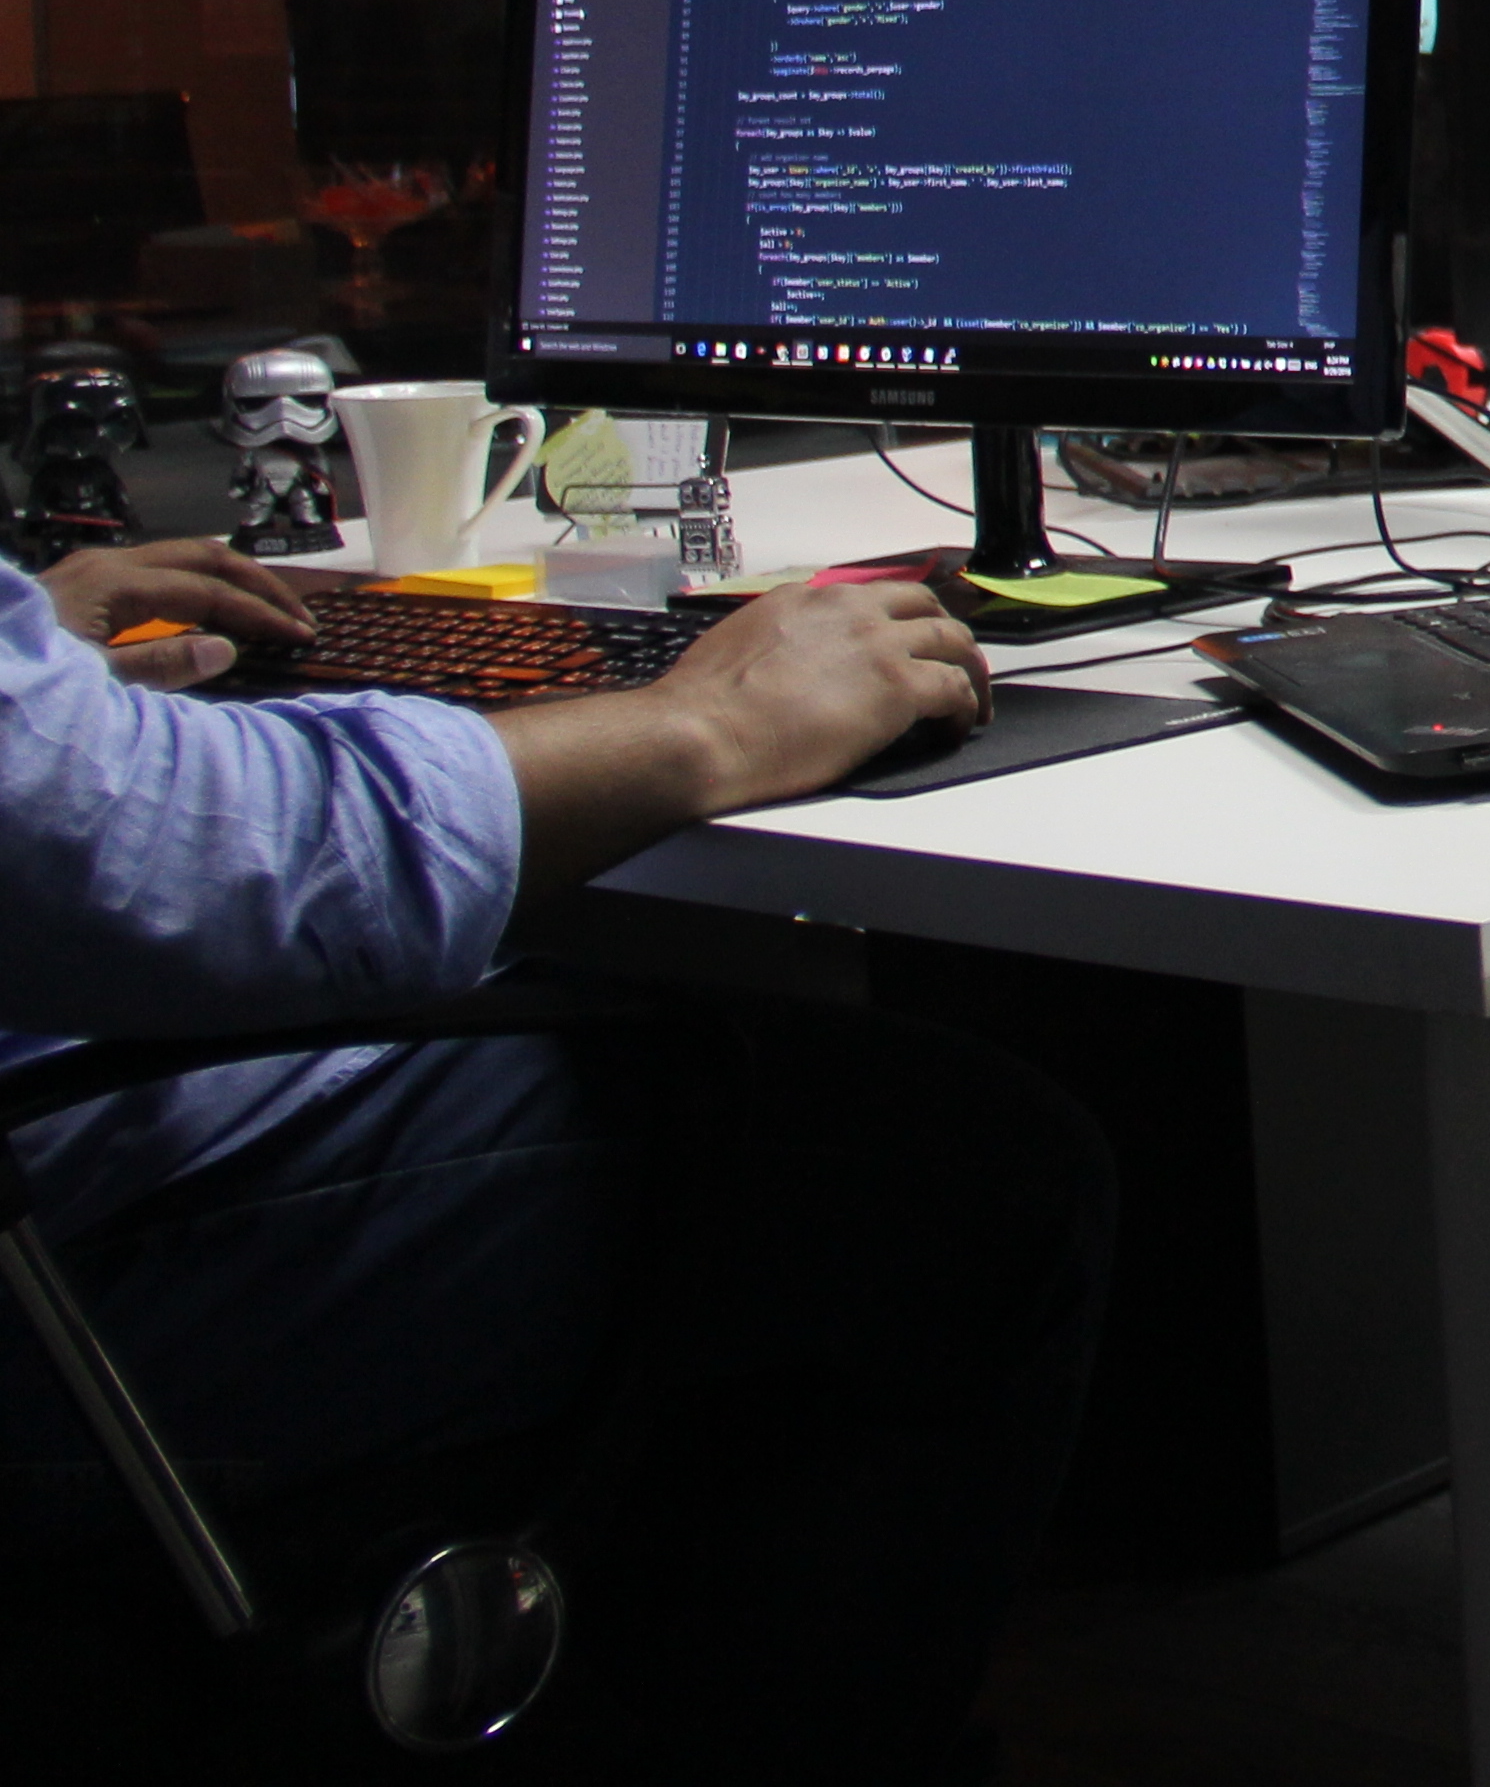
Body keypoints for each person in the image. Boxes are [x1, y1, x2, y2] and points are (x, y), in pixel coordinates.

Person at [0, 535, 1110, 1779]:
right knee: (964, 1166)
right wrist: (704, 726)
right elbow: (198, 856)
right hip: (55, 1283)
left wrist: (21, 650)